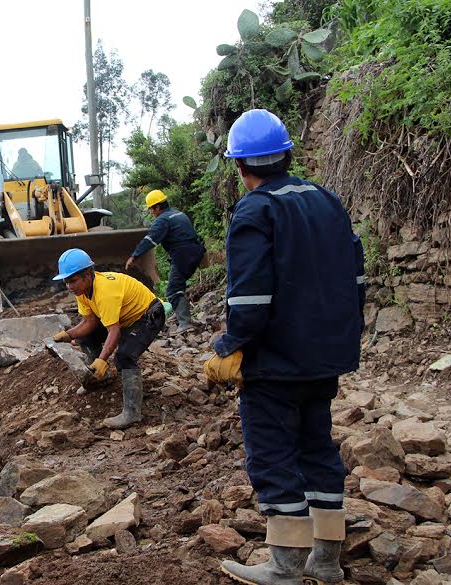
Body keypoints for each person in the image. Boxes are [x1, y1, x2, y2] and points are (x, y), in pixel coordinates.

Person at [203, 109, 365, 585]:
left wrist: (229, 344)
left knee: (274, 456)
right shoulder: (326, 199)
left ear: (239, 166)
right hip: (324, 358)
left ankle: (286, 565)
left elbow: (250, 299)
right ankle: (327, 559)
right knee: (317, 450)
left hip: (275, 363)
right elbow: (356, 280)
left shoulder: (256, 210)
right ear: (288, 154)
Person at [51, 248, 165, 429]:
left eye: (73, 281)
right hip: (125, 319)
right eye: (66, 282)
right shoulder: (83, 291)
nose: (69, 286)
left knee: (125, 356)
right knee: (86, 337)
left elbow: (114, 331)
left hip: (148, 314)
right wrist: (69, 334)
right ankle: (97, 380)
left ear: (88, 275)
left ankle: (132, 413)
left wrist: (101, 360)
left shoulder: (105, 291)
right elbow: (89, 321)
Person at [125, 190, 205, 333]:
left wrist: (134, 256)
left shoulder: (163, 220)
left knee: (173, 290)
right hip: (196, 251)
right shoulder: (179, 214)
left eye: (151, 209)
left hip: (182, 255)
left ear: (157, 207)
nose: (151, 213)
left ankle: (185, 323)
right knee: (178, 286)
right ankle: (183, 316)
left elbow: (150, 239)